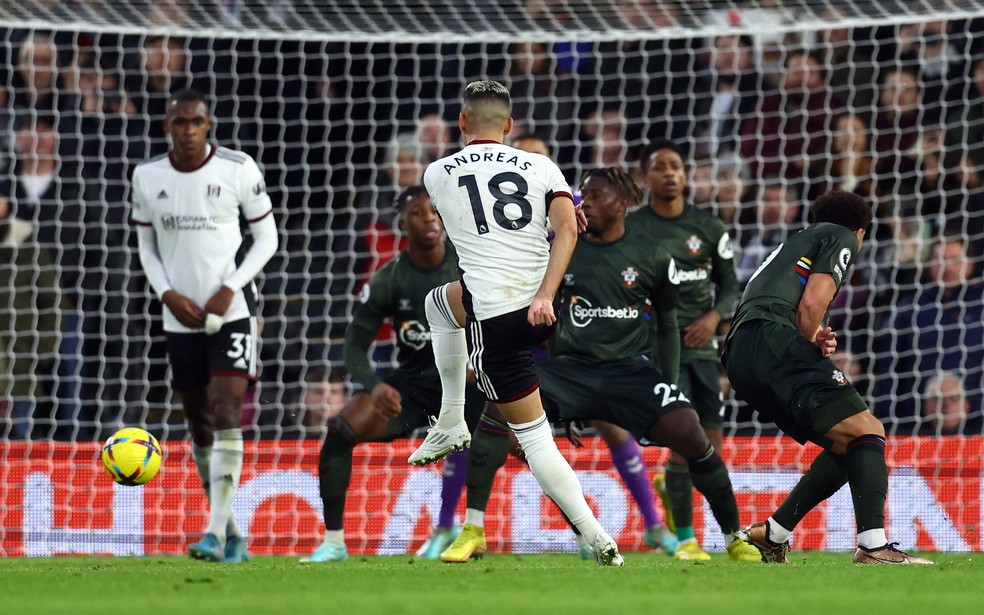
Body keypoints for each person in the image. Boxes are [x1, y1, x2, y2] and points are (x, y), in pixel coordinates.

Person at [440, 168, 760, 563]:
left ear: (621, 204)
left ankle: (735, 537)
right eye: (581, 195)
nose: (583, 202)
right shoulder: (562, 248)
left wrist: (669, 381)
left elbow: (668, 325)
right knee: (495, 408)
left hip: (629, 372)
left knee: (694, 436)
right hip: (570, 371)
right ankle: (472, 529)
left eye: (594, 196)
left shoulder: (653, 255)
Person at [409, 80, 624, 565]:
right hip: (541, 309)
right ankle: (447, 420)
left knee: (533, 439)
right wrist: (546, 290)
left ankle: (598, 540)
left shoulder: (436, 173)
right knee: (440, 303)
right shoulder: (542, 166)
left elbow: (479, 225)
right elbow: (567, 226)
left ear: (462, 122)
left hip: (494, 318)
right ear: (509, 126)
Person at [722, 190, 934, 565]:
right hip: (770, 338)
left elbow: (797, 306)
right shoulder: (842, 236)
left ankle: (773, 534)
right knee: (869, 430)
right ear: (862, 231)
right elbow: (809, 304)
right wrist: (808, 332)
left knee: (849, 443)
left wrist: (814, 333)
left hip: (742, 352)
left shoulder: (796, 241)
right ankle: (873, 547)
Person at [131, 88, 278, 563]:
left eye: (196, 122)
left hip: (232, 311)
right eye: (180, 123)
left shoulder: (237, 168)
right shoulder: (147, 176)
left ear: (208, 124)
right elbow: (146, 248)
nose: (189, 131)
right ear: (167, 127)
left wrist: (230, 287)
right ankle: (232, 533)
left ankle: (212, 534)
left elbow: (267, 239)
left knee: (226, 410)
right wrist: (167, 295)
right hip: (178, 316)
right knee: (198, 425)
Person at [303, 186, 485, 563]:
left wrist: (478, 359)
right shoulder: (389, 279)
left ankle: (583, 533)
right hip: (415, 385)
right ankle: (334, 542)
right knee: (340, 431)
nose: (430, 219)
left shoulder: (469, 264)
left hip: (470, 380)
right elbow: (352, 348)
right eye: (418, 213)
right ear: (402, 222)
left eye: (435, 211)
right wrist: (375, 385)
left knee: (527, 441)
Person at [629, 140, 741, 560]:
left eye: (676, 166)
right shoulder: (634, 227)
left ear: (686, 174)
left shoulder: (709, 228)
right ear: (645, 177)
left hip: (704, 348)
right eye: (660, 167)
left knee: (710, 444)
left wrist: (714, 317)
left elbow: (730, 284)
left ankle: (674, 490)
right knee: (683, 439)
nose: (670, 173)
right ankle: (686, 539)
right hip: (659, 348)